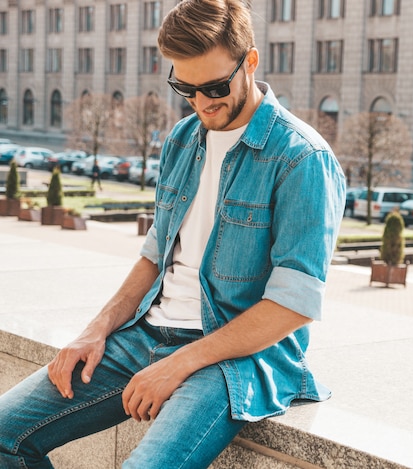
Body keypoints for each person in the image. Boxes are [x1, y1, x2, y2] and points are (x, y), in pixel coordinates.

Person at [0, 1, 345, 467]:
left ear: (251, 61)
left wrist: (180, 364)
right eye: (187, 88)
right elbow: (154, 255)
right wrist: (95, 330)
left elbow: (293, 305)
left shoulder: (302, 158)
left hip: (233, 360)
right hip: (145, 334)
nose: (203, 102)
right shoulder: (183, 139)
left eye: (217, 86)